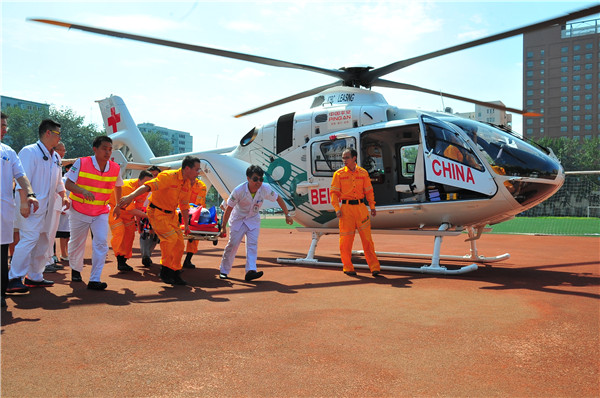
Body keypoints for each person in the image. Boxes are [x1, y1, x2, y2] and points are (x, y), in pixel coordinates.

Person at [118, 156, 201, 286]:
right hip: (157, 213)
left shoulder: (186, 184)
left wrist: (186, 225)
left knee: (179, 243)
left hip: (172, 216)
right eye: (197, 169)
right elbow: (147, 187)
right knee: (170, 239)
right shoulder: (168, 176)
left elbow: (184, 206)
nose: (198, 172)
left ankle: (175, 271)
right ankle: (165, 271)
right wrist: (131, 196)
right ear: (187, 168)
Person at [7, 119, 68, 293]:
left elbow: (58, 182)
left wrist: (64, 196)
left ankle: (34, 276)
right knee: (28, 239)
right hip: (32, 206)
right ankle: (13, 277)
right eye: (58, 134)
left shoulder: (55, 157)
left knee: (44, 241)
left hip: (49, 207)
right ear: (47, 133)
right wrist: (24, 203)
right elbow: (21, 180)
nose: (59, 138)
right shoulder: (29, 152)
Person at [65, 136, 123, 290]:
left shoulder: (115, 167)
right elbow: (68, 183)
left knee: (101, 243)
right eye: (104, 148)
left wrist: (118, 205)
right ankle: (76, 269)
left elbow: (118, 186)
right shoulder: (81, 162)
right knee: (77, 243)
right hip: (78, 210)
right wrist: (82, 191)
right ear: (95, 149)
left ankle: (94, 279)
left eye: (110, 149)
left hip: (100, 212)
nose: (108, 152)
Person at [218, 165, 293, 281]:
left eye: (261, 179)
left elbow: (278, 198)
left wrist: (287, 215)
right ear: (248, 178)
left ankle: (251, 271)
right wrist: (223, 226)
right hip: (238, 220)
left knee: (252, 245)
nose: (259, 182)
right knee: (233, 245)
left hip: (253, 220)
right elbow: (229, 208)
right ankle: (224, 271)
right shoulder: (239, 190)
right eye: (255, 179)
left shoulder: (265, 188)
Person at [1, 112, 39, 307]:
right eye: (1, 125)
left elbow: (21, 176)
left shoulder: (8, 151)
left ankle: (2, 292)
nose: (4, 129)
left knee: (2, 250)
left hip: (4, 208)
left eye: (5, 125)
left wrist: (30, 194)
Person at [330, 148, 381, 277]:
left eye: (347, 157)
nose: (344, 160)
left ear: (354, 158)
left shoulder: (363, 173)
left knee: (367, 240)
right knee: (346, 240)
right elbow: (334, 194)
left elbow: (369, 191)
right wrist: (337, 209)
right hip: (346, 210)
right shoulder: (339, 174)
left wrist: (372, 206)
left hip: (361, 208)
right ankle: (347, 267)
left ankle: (374, 267)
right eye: (343, 158)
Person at [109, 170, 153, 272]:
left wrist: (140, 225)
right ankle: (120, 260)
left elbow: (138, 208)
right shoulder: (127, 187)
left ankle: (124, 260)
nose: (148, 186)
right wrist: (149, 217)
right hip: (115, 210)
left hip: (128, 214)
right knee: (120, 232)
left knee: (130, 235)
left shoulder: (144, 190)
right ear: (139, 180)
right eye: (146, 183)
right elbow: (132, 209)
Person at [182, 177, 207, 269]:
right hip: (181, 211)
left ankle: (187, 260)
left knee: (194, 239)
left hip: (195, 213)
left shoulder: (201, 186)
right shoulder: (182, 183)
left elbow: (199, 204)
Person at [139, 165, 161, 267]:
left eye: (156, 175)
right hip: (145, 213)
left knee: (156, 237)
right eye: (152, 175)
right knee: (145, 234)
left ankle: (148, 254)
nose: (154, 177)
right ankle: (146, 256)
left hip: (159, 214)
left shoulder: (162, 186)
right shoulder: (143, 187)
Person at [56, 163, 72, 262]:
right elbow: (58, 194)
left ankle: (66, 252)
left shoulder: (75, 181)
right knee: (63, 233)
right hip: (64, 210)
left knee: (69, 234)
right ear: (66, 169)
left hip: (71, 210)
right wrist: (60, 207)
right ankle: (63, 253)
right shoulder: (63, 179)